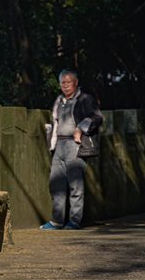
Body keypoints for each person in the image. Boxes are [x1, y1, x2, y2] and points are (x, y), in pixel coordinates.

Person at [40, 69, 103, 230]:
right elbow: (55, 121)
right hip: (59, 145)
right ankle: (57, 220)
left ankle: (74, 220)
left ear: (76, 83)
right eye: (63, 83)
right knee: (56, 183)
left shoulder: (85, 99)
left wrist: (80, 128)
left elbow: (97, 117)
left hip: (75, 145)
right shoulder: (59, 100)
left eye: (69, 82)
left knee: (76, 184)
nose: (66, 85)